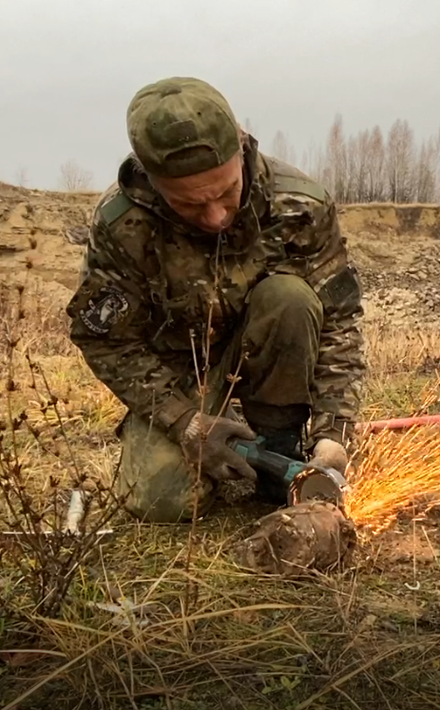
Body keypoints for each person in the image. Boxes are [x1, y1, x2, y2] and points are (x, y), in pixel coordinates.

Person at [65, 76, 367, 523]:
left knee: (290, 297)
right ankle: (209, 444)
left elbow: (339, 321)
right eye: (189, 204)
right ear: (153, 182)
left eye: (226, 192)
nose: (216, 217)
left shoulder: (300, 204)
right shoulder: (123, 226)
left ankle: (278, 450)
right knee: (160, 502)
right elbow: (107, 340)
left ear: (241, 149)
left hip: (265, 356)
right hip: (177, 371)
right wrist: (184, 421)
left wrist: (334, 432)